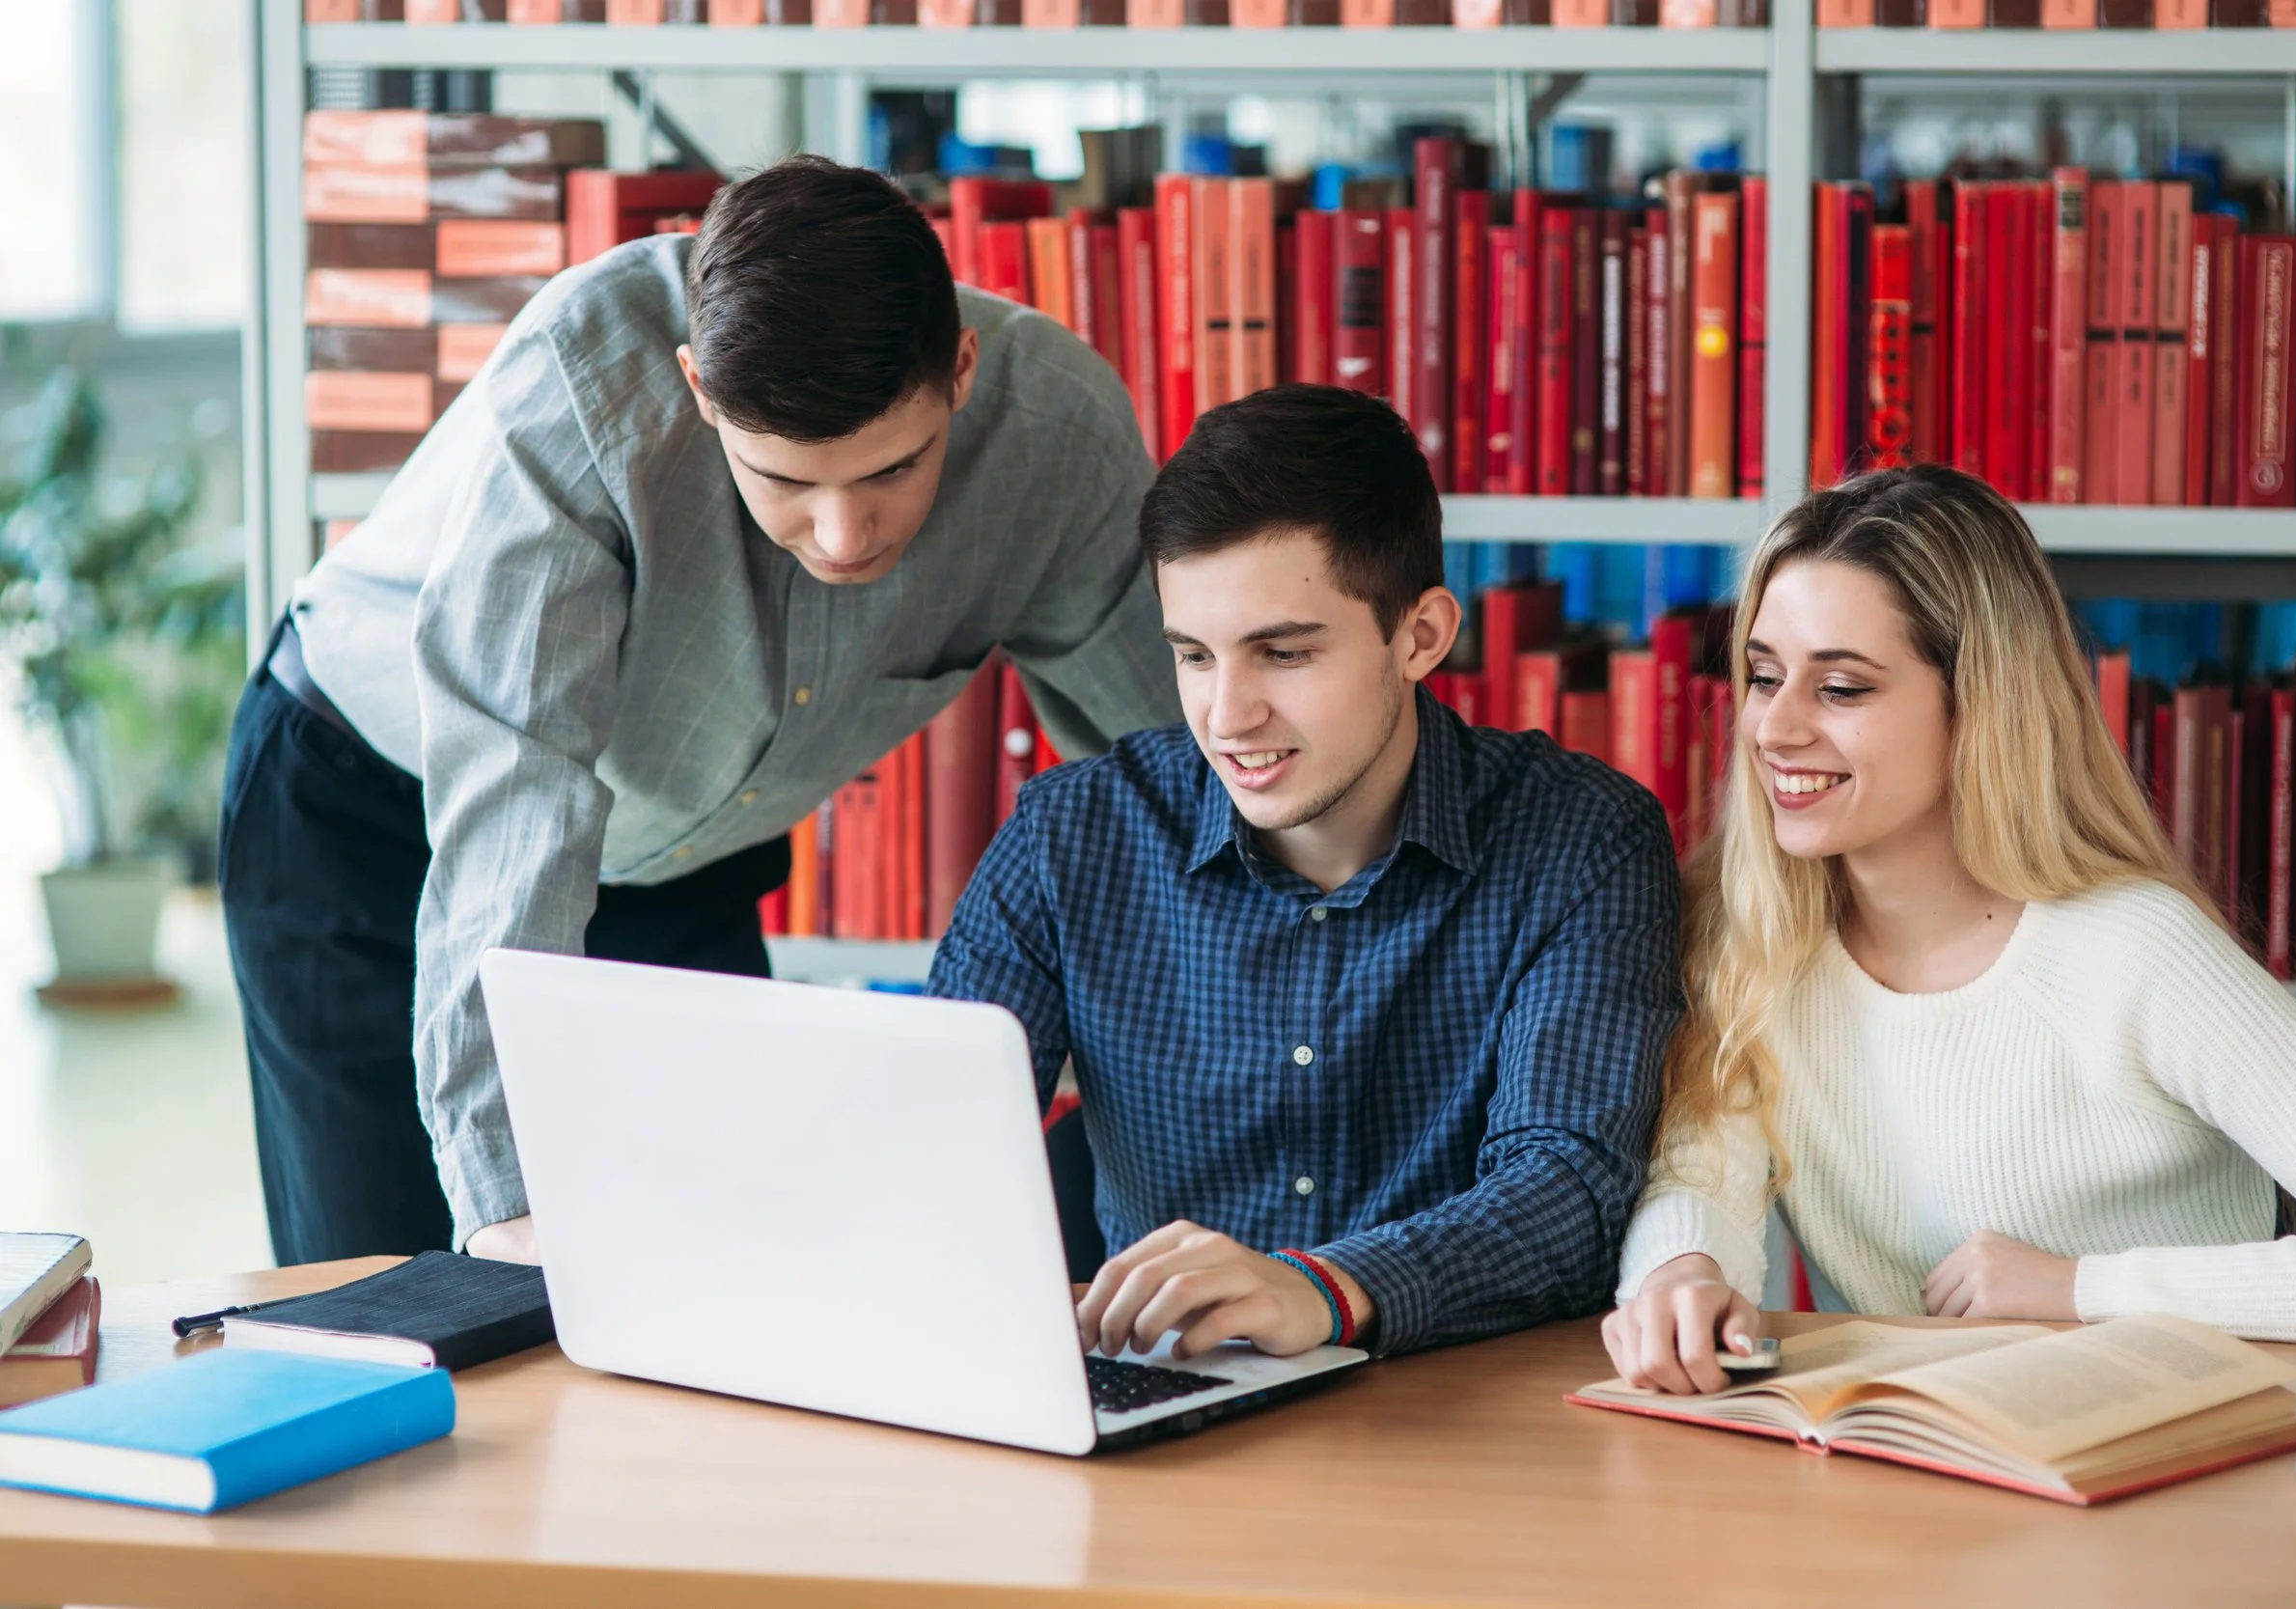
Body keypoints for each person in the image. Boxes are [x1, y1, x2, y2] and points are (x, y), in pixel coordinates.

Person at [220, 155, 1179, 1267]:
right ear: (696, 385)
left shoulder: (1057, 437)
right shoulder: (583, 383)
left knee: (729, 1288)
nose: (843, 536)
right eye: (785, 482)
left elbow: (1167, 778)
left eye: (891, 470)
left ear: (960, 369)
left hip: (681, 863)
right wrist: (501, 1199)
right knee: (408, 1301)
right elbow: (516, 796)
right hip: (373, 816)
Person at [1600, 464, 2296, 1394]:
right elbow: (1703, 1178)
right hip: (1922, 1479)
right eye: (1764, 675)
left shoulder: (2135, 952)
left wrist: (2080, 1289)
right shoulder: (1756, 942)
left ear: (1977, 706)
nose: (1775, 728)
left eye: (1843, 688)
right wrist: (1681, 1272)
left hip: (2179, 1481)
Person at [926, 384, 1683, 1359]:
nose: (1226, 715)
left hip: (1459, 1417)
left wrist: (1323, 1287)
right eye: (1194, 655)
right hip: (1165, 1409)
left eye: (1281, 653)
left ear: (1419, 635)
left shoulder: (1581, 839)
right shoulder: (1073, 836)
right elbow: (928, 1140)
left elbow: (1569, 1189)